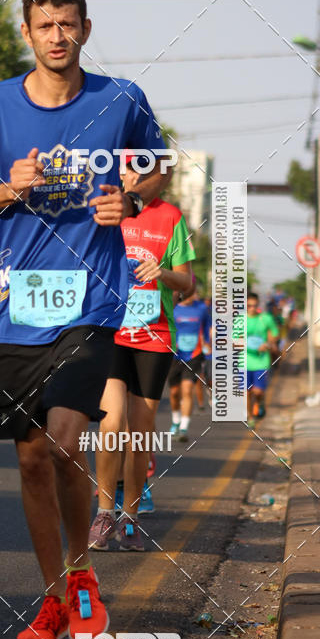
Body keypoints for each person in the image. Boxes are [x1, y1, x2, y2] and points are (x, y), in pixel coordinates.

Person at [0, 0, 164, 639]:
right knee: (32, 459)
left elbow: (155, 166)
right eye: (45, 25)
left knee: (66, 441)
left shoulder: (120, 99)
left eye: (68, 24)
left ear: (86, 30)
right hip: (15, 309)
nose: (58, 36)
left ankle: (80, 576)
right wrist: (6, 187)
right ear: (27, 33)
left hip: (91, 301)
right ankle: (55, 599)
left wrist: (130, 201)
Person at [88, 162, 193, 552]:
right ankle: (103, 513)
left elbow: (188, 282)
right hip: (111, 330)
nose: (130, 177)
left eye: (138, 170)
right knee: (111, 420)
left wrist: (162, 273)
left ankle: (130, 517)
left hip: (154, 334)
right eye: (126, 168)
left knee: (140, 427)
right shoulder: (107, 207)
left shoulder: (170, 217)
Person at [168, 282, 211, 442]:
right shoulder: (173, 308)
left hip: (194, 353)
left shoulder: (201, 309)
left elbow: (208, 327)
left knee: (187, 390)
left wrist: (208, 342)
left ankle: (184, 427)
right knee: (174, 393)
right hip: (174, 355)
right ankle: (175, 421)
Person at [246, 292, 279, 427]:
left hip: (261, 361)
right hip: (244, 361)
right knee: (246, 392)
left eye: (255, 305)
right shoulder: (239, 320)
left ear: (258, 305)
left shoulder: (266, 319)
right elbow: (233, 339)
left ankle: (259, 402)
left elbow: (274, 334)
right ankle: (250, 417)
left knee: (258, 391)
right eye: (249, 306)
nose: (252, 308)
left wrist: (269, 344)